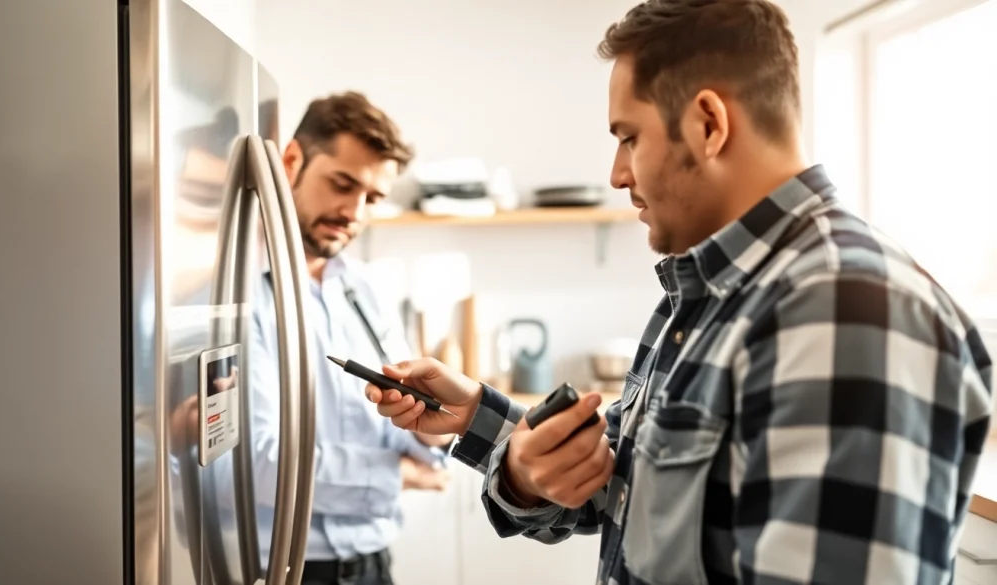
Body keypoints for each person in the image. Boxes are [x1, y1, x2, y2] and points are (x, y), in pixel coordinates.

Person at [363, 1, 995, 584]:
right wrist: (490, 428)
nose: (616, 174)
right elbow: (628, 494)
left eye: (628, 137)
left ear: (708, 124)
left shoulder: (847, 312)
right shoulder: (700, 299)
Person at [249, 91, 454, 585]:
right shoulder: (241, 291)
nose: (355, 211)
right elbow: (260, 464)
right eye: (343, 184)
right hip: (284, 570)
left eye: (373, 198)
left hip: (374, 566)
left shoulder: (365, 290)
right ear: (292, 161)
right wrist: (399, 475)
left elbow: (405, 424)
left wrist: (433, 432)